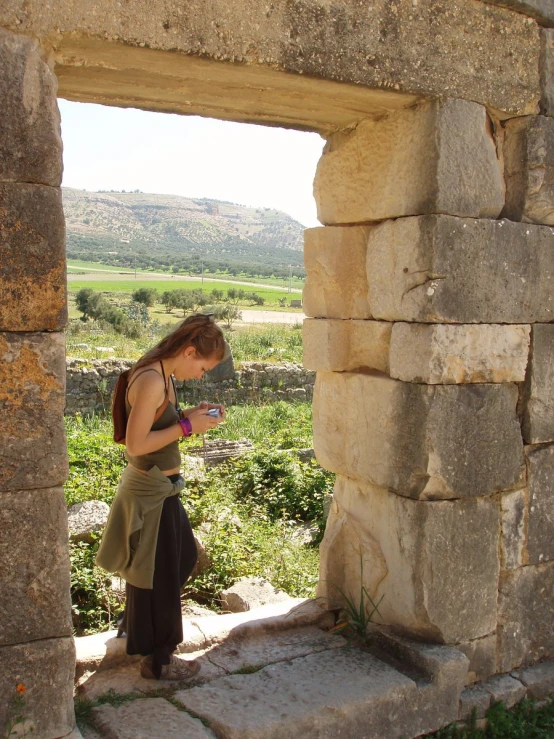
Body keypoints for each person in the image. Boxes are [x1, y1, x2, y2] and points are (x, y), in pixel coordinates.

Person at [96, 313, 227, 680]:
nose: (201, 375)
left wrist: (189, 415)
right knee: (164, 569)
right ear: (188, 351)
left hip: (160, 489)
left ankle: (138, 628)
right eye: (202, 367)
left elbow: (154, 423)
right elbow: (136, 444)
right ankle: (159, 661)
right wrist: (187, 426)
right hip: (151, 492)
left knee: (169, 564)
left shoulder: (162, 373)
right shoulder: (153, 379)